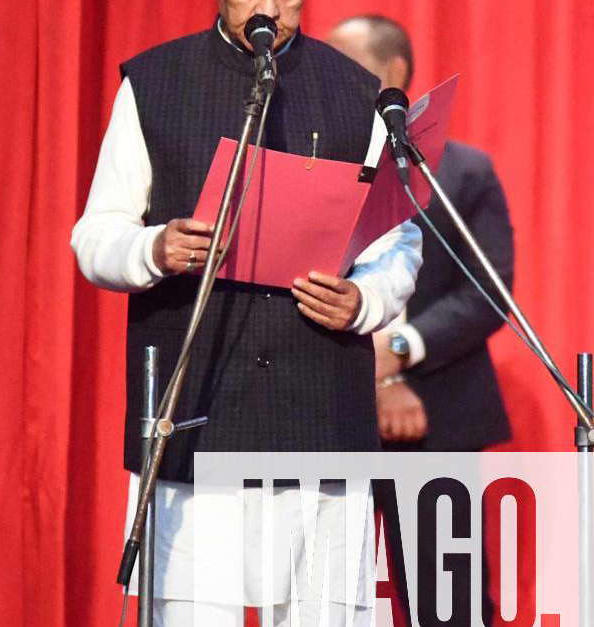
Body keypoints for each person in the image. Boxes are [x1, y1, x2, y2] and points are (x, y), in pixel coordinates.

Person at [72, 2, 422, 625]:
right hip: (197, 416)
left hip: (321, 415)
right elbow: (96, 235)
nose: (270, 8)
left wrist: (364, 299)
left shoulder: (356, 89)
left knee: (327, 611)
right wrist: (153, 247)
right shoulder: (154, 81)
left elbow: (398, 239)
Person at [328, 14, 514, 623]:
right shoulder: (315, 167)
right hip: (331, 420)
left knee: (449, 605)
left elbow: (489, 292)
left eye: (345, 62)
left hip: (440, 419)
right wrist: (376, 379)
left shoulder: (462, 171)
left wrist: (399, 350)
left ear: (395, 73)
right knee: (327, 602)